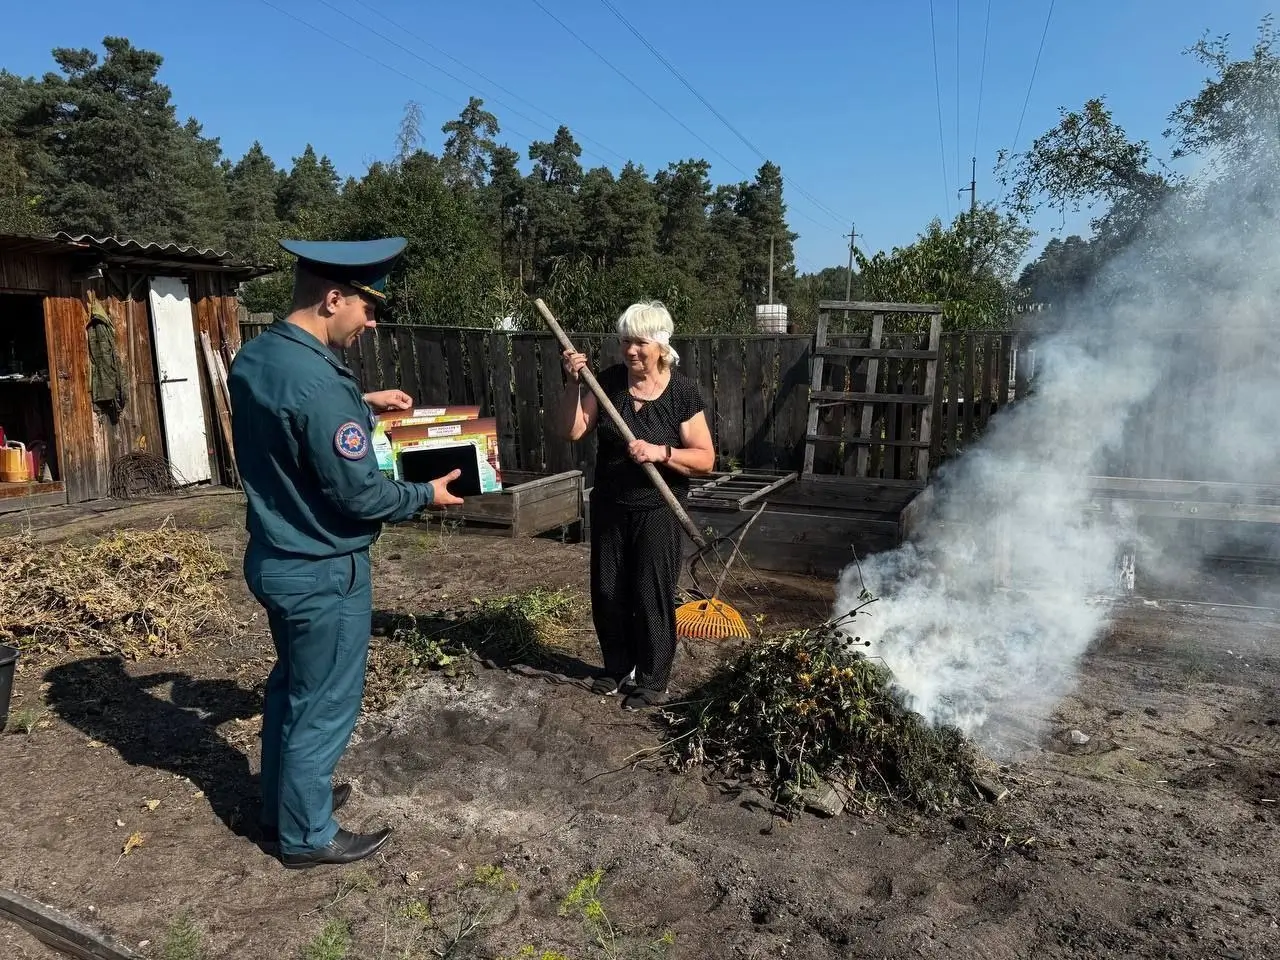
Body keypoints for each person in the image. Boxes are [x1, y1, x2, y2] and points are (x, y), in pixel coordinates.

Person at [228, 236, 464, 869]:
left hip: (274, 556)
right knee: (325, 701)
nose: (371, 322)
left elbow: (292, 421)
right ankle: (307, 836)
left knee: (291, 688)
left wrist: (362, 402)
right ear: (333, 298)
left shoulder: (258, 357)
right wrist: (426, 493)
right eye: (368, 308)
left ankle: (283, 806)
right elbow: (361, 494)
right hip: (323, 568)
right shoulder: (320, 382)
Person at [560, 301, 715, 710]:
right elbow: (573, 430)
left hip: (657, 510)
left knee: (651, 593)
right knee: (608, 590)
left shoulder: (682, 392)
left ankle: (652, 677)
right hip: (611, 504)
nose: (630, 350)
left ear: (661, 345)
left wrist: (661, 452)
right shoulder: (606, 381)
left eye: (640, 342)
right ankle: (615, 666)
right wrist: (574, 383)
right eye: (625, 341)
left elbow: (704, 459)